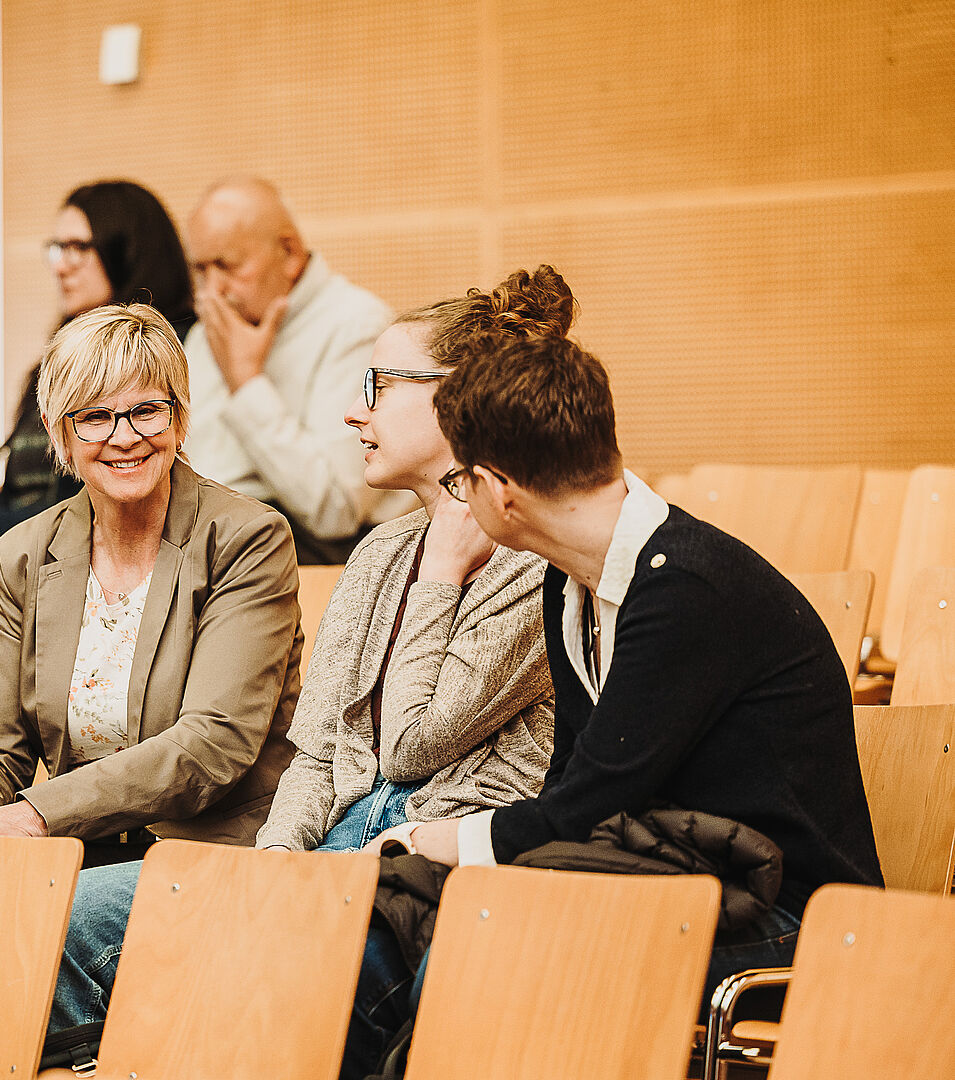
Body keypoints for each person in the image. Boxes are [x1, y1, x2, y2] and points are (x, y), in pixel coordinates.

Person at [48, 270, 577, 1064]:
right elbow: (319, 751)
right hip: (322, 858)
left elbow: (413, 747)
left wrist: (439, 574)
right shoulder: (378, 552)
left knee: (238, 989)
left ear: (458, 399)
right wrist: (274, 865)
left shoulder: (534, 562)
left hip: (424, 880)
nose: (353, 412)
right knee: (62, 920)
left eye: (377, 386)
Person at [367, 281, 883, 1068]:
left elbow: (589, 803)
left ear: (497, 490)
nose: (460, 498)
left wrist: (421, 838)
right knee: (375, 930)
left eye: (459, 481)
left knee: (484, 941)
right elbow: (574, 792)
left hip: (786, 916)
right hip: (660, 881)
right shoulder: (568, 581)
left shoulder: (688, 589)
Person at [0, 303, 302, 1010]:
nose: (124, 437)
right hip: (75, 841)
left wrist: (31, 817)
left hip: (198, 848)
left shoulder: (245, 539)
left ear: (180, 416)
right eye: (94, 417)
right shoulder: (24, 553)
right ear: (58, 431)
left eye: (146, 411)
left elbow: (210, 746)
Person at [0, 180, 195, 568]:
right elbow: (24, 485)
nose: (61, 265)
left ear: (128, 251)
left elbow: (126, 485)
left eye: (79, 248)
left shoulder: (174, 354)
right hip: (28, 564)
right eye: (58, 248)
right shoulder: (53, 364)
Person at [180, 177, 397, 563]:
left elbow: (337, 512)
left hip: (312, 559)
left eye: (228, 265)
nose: (212, 290)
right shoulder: (206, 331)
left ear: (290, 253)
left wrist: (246, 382)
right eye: (201, 269)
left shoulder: (356, 324)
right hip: (204, 545)